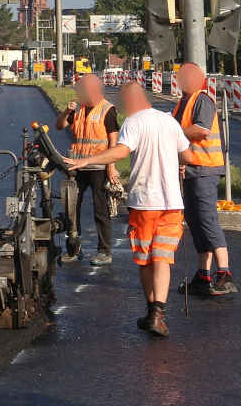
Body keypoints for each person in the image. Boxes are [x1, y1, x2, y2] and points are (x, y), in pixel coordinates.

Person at [66, 83, 195, 337]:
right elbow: (188, 156)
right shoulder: (169, 122)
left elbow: (121, 151)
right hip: (172, 204)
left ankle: (152, 312)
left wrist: (88, 160)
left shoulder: (134, 122)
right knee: (163, 259)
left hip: (145, 202)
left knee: (146, 260)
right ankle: (158, 313)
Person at [173, 62, 236, 296]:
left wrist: (171, 132)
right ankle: (203, 275)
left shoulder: (202, 100)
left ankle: (224, 274)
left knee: (207, 220)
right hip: (191, 170)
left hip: (205, 169)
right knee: (196, 222)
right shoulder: (182, 103)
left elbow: (201, 130)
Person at [55, 73, 119, 265]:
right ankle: (74, 248)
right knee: (71, 207)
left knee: (101, 209)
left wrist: (111, 167)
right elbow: (59, 126)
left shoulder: (107, 109)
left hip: (99, 166)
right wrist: (66, 111)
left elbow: (113, 140)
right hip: (78, 165)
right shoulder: (79, 109)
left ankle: (104, 251)